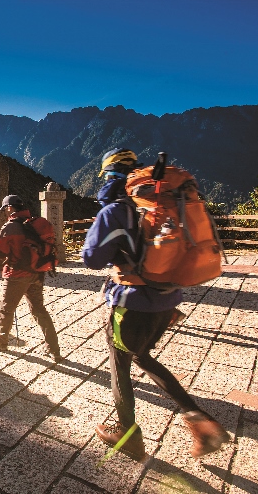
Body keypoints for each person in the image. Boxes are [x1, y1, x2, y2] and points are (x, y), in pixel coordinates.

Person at [82, 148, 230, 462]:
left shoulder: (115, 211)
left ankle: (127, 433)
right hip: (168, 299)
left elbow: (91, 259)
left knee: (120, 362)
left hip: (131, 303)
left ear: (109, 176)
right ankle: (199, 421)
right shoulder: (162, 203)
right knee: (141, 355)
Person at [0, 195, 62, 361]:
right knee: (39, 309)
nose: (5, 212)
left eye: (5, 209)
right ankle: (54, 348)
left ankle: (1, 340)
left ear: (10, 208)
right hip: (37, 272)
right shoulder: (34, 224)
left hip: (17, 275)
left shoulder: (10, 227)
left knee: (7, 308)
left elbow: (0, 252)